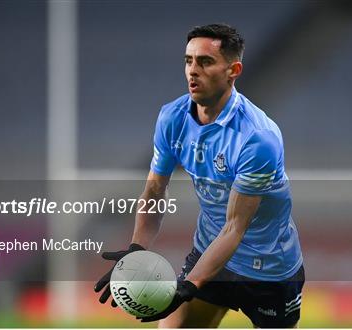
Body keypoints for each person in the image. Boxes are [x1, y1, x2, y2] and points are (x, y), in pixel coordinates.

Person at [95, 23, 304, 328]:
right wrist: (137, 250)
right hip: (211, 254)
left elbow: (235, 227)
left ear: (233, 70)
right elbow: (154, 192)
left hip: (268, 269)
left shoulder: (258, 137)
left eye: (205, 62)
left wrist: (189, 285)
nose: (193, 71)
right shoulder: (172, 118)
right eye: (188, 61)